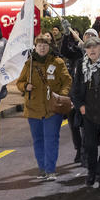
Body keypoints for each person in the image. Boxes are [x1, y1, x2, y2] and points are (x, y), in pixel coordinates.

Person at [17, 34, 72, 181]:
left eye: (45, 45)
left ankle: (50, 169)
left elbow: (67, 81)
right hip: (33, 108)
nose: (42, 47)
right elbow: (19, 83)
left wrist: (61, 95)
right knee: (38, 140)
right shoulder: (29, 64)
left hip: (52, 109)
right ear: (35, 47)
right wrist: (25, 86)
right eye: (39, 45)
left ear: (50, 47)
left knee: (51, 138)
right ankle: (42, 167)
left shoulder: (58, 62)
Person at [70, 38, 100, 191]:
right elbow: (75, 89)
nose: (91, 50)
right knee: (90, 146)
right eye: (88, 48)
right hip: (89, 114)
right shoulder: (80, 65)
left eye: (94, 47)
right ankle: (91, 172)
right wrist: (80, 106)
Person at [60, 27, 95, 166]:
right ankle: (78, 148)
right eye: (87, 35)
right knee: (73, 125)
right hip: (73, 94)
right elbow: (64, 51)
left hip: (88, 97)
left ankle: (86, 152)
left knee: (85, 126)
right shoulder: (76, 52)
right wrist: (66, 35)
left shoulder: (98, 55)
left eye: (92, 35)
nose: (89, 37)